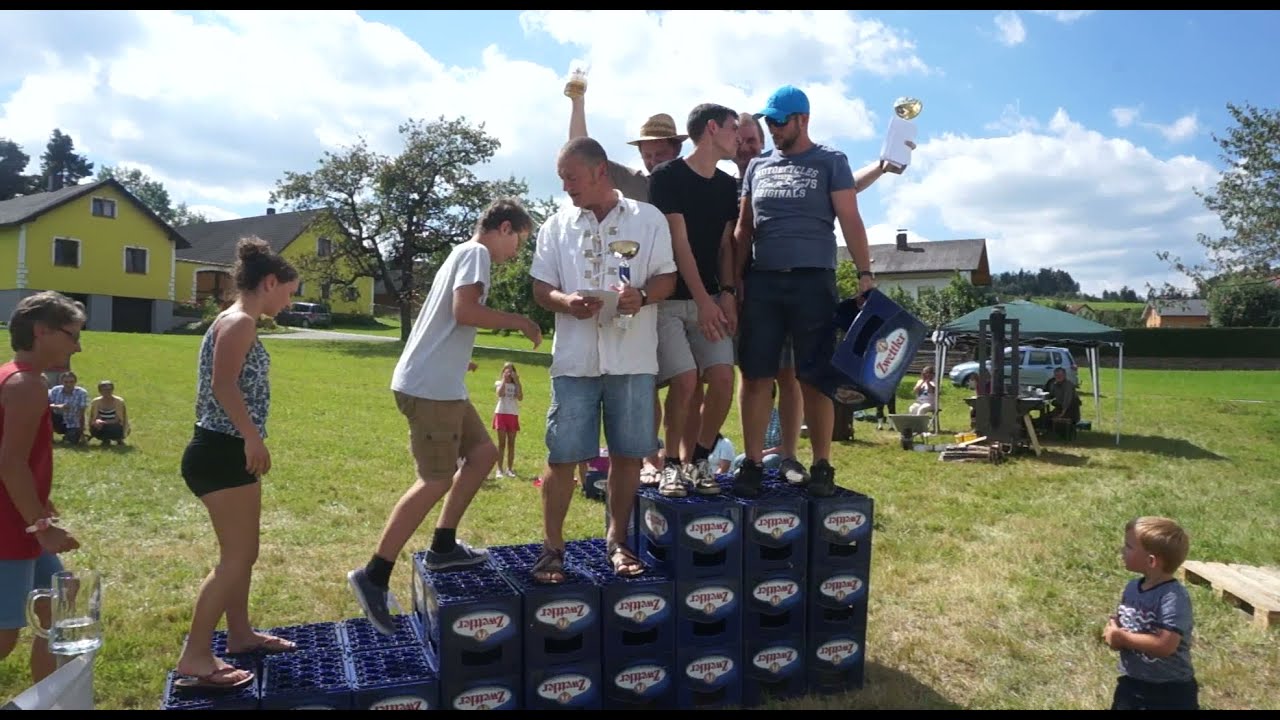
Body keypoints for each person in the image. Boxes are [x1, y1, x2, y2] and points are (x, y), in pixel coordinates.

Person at [348, 198, 542, 636]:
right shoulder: (475, 254)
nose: (516, 253)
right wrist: (519, 320)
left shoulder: (460, 253)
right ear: (505, 228)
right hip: (430, 389)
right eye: (520, 242)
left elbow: (447, 323)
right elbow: (465, 311)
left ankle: (443, 545)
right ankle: (373, 575)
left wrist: (459, 360)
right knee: (434, 479)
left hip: (441, 384)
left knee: (483, 454)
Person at [529, 137, 676, 583]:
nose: (566, 185)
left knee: (629, 454)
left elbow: (668, 276)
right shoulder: (555, 226)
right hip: (574, 360)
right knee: (562, 457)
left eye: (571, 177)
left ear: (600, 172)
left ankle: (617, 539)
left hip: (632, 356)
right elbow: (540, 289)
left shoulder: (648, 218)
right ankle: (553, 548)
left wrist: (643, 295)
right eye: (562, 178)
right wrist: (564, 300)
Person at [732, 85, 875, 498]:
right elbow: (744, 229)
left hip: (814, 280)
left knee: (814, 377)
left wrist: (865, 274)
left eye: (780, 121)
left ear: (802, 120)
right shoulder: (757, 166)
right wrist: (733, 283)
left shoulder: (830, 161)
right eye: (769, 122)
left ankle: (822, 465)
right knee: (756, 375)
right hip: (764, 280)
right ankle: (754, 463)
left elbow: (850, 217)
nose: (773, 128)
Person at [175, 238, 300, 691]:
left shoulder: (240, 321)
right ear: (269, 282)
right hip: (222, 449)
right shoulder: (240, 322)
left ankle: (241, 634)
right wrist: (251, 438)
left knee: (244, 553)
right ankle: (195, 656)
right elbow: (223, 385)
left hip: (227, 449)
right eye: (289, 291)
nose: (290, 301)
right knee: (236, 557)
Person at [646, 103, 741, 497]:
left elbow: (724, 246)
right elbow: (678, 243)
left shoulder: (726, 185)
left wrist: (728, 295)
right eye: (734, 129)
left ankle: (699, 461)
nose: (739, 137)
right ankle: (670, 465)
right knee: (685, 381)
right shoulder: (667, 177)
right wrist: (704, 301)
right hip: (671, 300)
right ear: (713, 129)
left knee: (722, 378)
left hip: (711, 299)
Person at [0, 292, 86, 685]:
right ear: (41, 331)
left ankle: (49, 695)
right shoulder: (26, 384)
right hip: (9, 528)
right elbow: (10, 462)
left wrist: (41, 502)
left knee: (61, 596)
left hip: (23, 518)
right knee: (3, 636)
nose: (77, 346)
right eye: (71, 335)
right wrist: (41, 525)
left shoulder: (14, 376)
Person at [1103, 516, 1198, 710]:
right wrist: (1113, 632)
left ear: (1151, 560)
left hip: (1170, 692)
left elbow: (1165, 645)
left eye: (1128, 547)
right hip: (1131, 682)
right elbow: (1124, 627)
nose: (1122, 550)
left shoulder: (1172, 596)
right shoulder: (1131, 588)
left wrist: (1122, 637)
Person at [492, 362, 523, 479]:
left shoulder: (516, 385)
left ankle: (509, 469)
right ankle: (499, 469)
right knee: (501, 444)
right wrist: (504, 380)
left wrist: (517, 381)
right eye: (506, 371)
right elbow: (499, 394)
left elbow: (520, 397)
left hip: (512, 414)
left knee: (511, 443)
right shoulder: (499, 383)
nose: (509, 373)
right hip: (501, 413)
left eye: (511, 371)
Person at [47, 371, 88, 444]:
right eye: (66, 382)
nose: (68, 384)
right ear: (61, 382)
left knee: (71, 441)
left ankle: (68, 437)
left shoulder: (82, 393)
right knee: (46, 414)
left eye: (71, 382)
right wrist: (57, 407)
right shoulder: (55, 390)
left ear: (75, 382)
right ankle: (49, 437)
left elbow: (81, 414)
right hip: (57, 419)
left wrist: (81, 432)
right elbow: (46, 406)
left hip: (72, 423)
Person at [87, 379, 130, 445]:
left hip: (115, 424)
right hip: (101, 425)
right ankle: (105, 440)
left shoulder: (119, 401)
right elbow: (94, 417)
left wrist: (104, 422)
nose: (107, 392)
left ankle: (119, 439)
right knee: (96, 427)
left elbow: (118, 419)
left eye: (109, 389)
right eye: (104, 390)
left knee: (113, 427)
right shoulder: (95, 402)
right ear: (100, 391)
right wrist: (97, 421)